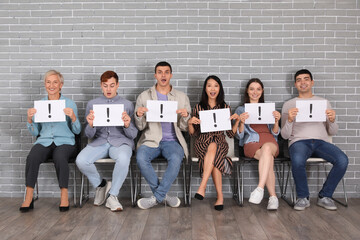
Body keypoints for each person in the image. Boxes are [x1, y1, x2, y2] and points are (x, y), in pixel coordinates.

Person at [281, 69, 348, 211]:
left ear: (312, 82)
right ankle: (302, 197)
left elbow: (333, 131)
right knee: (298, 160)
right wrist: (290, 120)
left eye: (306, 79)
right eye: (299, 80)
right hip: (299, 142)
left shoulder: (324, 102)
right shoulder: (289, 105)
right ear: (295, 84)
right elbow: (285, 135)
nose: (302, 82)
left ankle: (325, 196)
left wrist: (332, 120)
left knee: (342, 160)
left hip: (321, 142)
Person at [76, 71, 138, 212]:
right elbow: (88, 134)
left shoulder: (127, 104)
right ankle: (101, 185)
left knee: (123, 158)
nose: (108, 89)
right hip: (100, 141)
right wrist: (91, 124)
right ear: (101, 86)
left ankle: (112, 196)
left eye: (112, 85)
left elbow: (133, 135)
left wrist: (127, 124)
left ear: (117, 85)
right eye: (105, 86)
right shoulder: (92, 104)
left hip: (121, 142)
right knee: (81, 160)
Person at [20, 70, 81, 212]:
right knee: (32, 156)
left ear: (61, 85)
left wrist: (73, 118)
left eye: (55, 82)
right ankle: (29, 197)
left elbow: (77, 131)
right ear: (45, 84)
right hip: (45, 141)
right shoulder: (39, 104)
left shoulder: (69, 103)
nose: (51, 85)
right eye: (48, 82)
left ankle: (64, 195)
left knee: (59, 156)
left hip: (65, 141)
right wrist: (29, 120)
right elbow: (35, 132)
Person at [135, 61, 191, 210]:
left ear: (171, 75)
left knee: (176, 158)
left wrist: (185, 117)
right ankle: (164, 196)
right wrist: (139, 115)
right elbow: (140, 127)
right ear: (155, 75)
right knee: (140, 157)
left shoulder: (181, 97)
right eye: (160, 72)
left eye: (166, 72)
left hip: (172, 141)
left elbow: (185, 128)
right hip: (150, 139)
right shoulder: (144, 96)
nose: (163, 75)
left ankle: (156, 197)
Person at [188, 75, 240, 211]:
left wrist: (237, 122)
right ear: (205, 89)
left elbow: (230, 134)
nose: (212, 89)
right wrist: (190, 123)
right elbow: (193, 134)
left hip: (220, 143)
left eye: (216, 86)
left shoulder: (225, 107)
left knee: (215, 148)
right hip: (202, 142)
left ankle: (202, 186)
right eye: (209, 85)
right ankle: (220, 197)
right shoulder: (198, 107)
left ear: (220, 89)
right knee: (214, 152)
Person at [234, 78, 281, 210]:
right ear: (247, 91)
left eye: (258, 89)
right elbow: (239, 136)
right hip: (251, 142)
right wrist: (241, 122)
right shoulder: (240, 110)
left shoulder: (269, 109)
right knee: (268, 158)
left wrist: (276, 121)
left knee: (267, 148)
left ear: (262, 91)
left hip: (270, 141)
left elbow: (276, 133)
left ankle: (260, 188)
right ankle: (273, 197)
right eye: (252, 89)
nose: (255, 92)